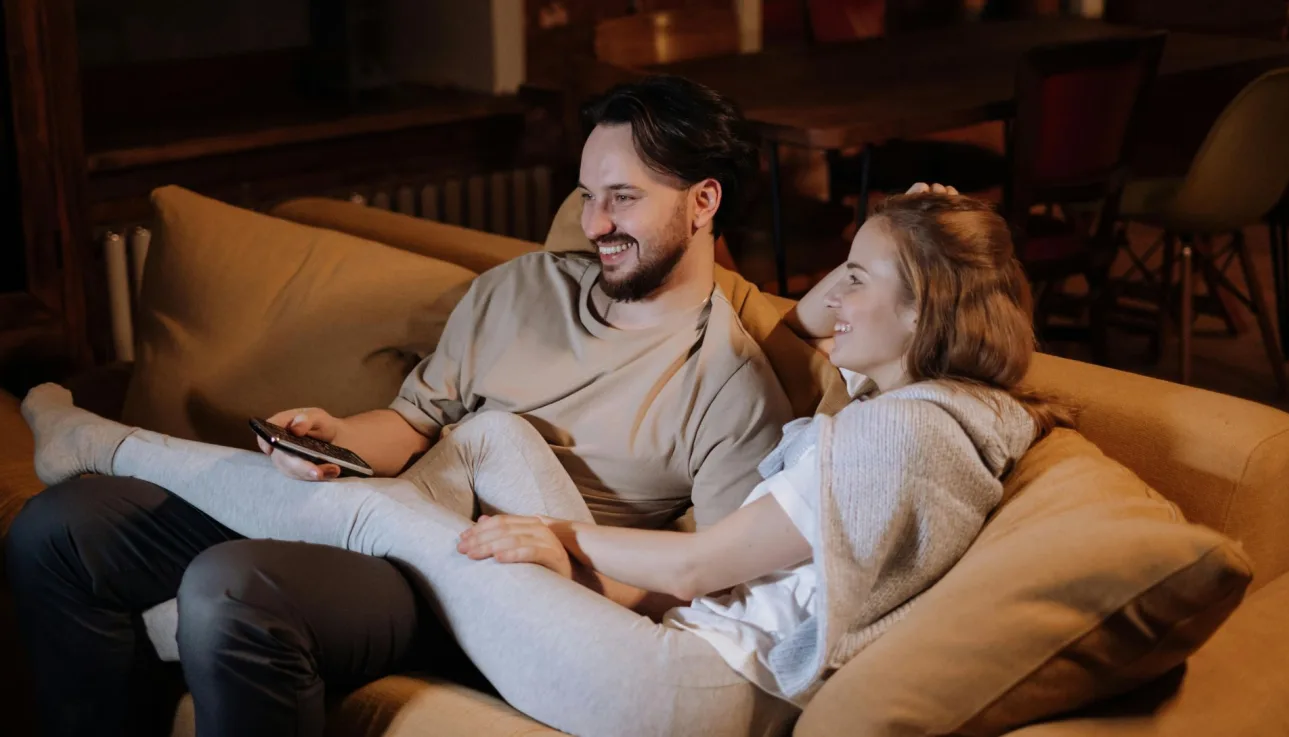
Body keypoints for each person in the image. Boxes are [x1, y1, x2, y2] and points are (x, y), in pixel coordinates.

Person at [15, 187, 1066, 735]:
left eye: (860, 276)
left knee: (389, 518)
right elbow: (811, 329)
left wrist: (555, 538)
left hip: (695, 692)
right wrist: (910, 229)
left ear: (922, 309)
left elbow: (705, 565)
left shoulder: (904, 427)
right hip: (684, 642)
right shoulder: (929, 408)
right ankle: (340, 514)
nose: (833, 295)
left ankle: (101, 444)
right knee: (493, 432)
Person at [6, 75, 794, 737]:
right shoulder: (519, 289)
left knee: (234, 586)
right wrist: (335, 435)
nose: (594, 224)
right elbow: (412, 424)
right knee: (63, 526)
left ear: (702, 201)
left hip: (477, 586)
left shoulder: (728, 384)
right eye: (587, 195)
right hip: (392, 499)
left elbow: (709, 581)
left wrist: (579, 567)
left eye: (622, 198)